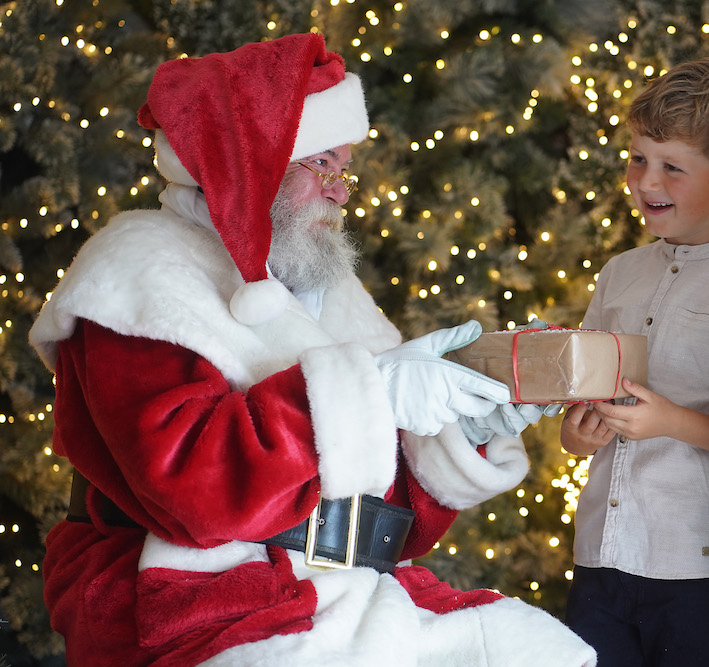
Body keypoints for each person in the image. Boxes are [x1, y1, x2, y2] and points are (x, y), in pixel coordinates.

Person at [28, 33, 596, 667]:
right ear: (254, 163)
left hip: (336, 590)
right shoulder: (142, 270)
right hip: (187, 598)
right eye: (321, 163)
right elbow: (190, 495)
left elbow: (396, 532)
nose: (341, 191)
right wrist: (374, 392)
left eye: (342, 170)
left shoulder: (326, 290)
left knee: (548, 655)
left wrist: (459, 429)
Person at [559, 57, 709, 666]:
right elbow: (582, 415)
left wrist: (669, 422)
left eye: (672, 167)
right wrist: (578, 434)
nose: (646, 181)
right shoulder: (620, 273)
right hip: (600, 556)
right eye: (637, 158)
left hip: (701, 567)